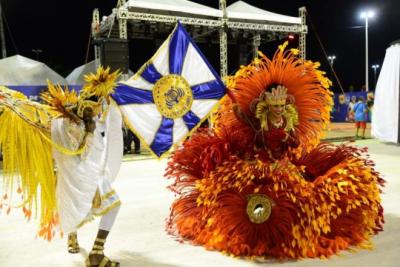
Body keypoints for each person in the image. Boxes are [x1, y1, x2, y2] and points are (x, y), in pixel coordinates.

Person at [165, 43, 384, 259]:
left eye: (281, 106)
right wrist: (240, 114)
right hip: (257, 164)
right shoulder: (258, 122)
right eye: (275, 106)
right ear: (267, 106)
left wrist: (290, 142)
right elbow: (246, 124)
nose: (278, 110)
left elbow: (292, 143)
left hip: (283, 165)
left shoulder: (287, 120)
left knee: (299, 198)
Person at [0, 67, 123, 267]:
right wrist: (90, 131)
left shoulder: (62, 122)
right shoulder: (81, 126)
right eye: (99, 104)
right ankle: (96, 253)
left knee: (71, 207)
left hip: (70, 175)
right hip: (84, 177)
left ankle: (74, 238)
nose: (101, 108)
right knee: (112, 206)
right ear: (89, 106)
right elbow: (82, 151)